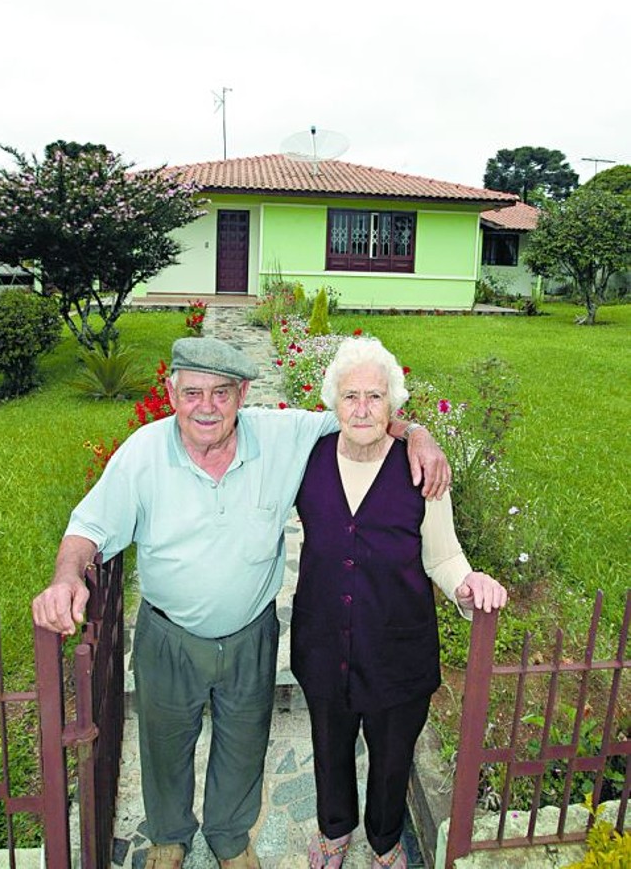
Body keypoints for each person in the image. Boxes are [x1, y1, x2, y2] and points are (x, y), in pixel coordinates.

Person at [32, 336, 451, 869]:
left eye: (221, 393)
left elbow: (363, 414)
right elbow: (87, 527)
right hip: (169, 635)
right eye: (192, 393)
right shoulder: (143, 452)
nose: (206, 406)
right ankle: (168, 836)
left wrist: (418, 433)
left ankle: (230, 836)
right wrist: (67, 577)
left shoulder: (281, 435)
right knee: (164, 745)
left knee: (243, 746)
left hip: (250, 635)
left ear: (243, 394)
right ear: (170, 393)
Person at [290, 337, 508, 869]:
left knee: (391, 760)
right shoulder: (307, 458)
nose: (362, 409)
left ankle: (385, 842)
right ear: (332, 402)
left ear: (394, 406)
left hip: (397, 648)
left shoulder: (422, 468)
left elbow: (444, 555)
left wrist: (466, 584)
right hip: (323, 641)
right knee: (329, 748)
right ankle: (335, 831)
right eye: (350, 397)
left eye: (375, 397)